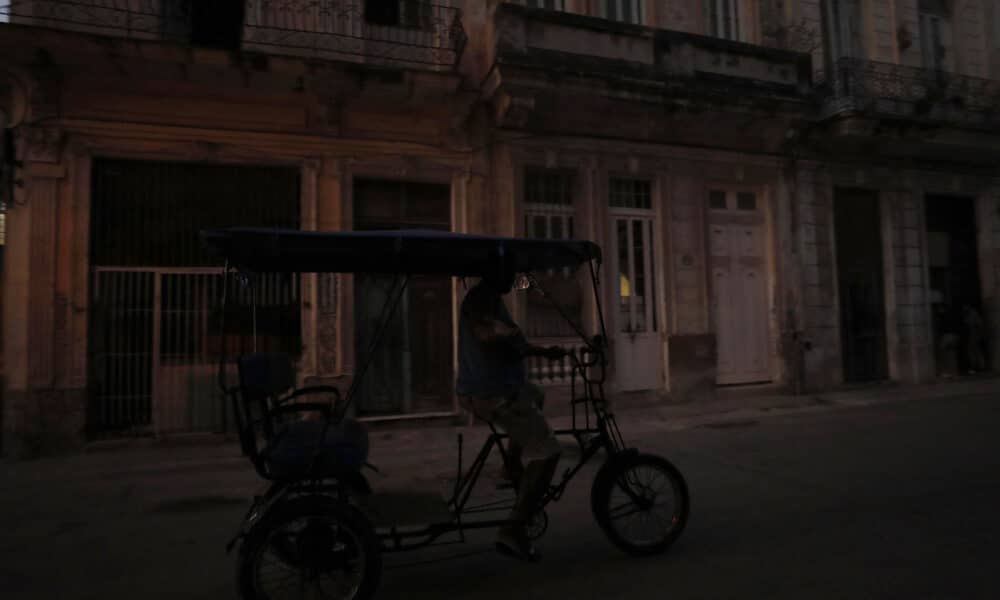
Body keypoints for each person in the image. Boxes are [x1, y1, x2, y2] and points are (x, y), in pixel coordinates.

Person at [456, 253, 564, 562]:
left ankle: (511, 464)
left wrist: (545, 352)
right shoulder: (480, 300)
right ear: (495, 273)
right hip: (491, 392)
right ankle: (512, 530)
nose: (512, 279)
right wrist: (510, 332)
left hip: (503, 386)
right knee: (549, 451)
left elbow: (513, 346)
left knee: (537, 395)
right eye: (508, 273)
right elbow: (486, 334)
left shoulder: (493, 298)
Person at [963, 303, 988, 373]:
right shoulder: (969, 314)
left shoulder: (973, 314)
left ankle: (977, 367)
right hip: (973, 334)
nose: (964, 308)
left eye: (965, 307)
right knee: (975, 350)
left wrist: (979, 333)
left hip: (975, 334)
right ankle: (979, 366)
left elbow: (978, 324)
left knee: (974, 351)